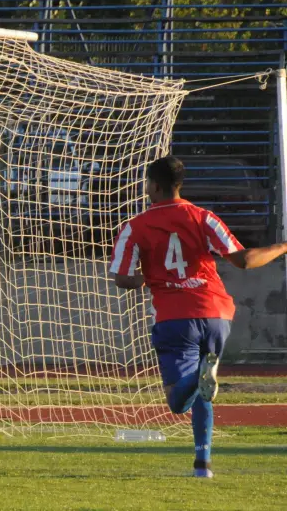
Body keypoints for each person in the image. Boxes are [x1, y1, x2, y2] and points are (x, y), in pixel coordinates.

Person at [109, 156, 287, 478]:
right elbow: (244, 260)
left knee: (179, 401)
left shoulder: (136, 226)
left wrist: (141, 279)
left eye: (147, 183)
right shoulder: (204, 218)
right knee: (204, 389)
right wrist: (283, 246)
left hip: (175, 318)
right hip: (217, 313)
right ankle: (202, 464)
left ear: (156, 185)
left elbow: (121, 277)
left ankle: (200, 377)